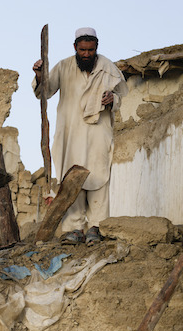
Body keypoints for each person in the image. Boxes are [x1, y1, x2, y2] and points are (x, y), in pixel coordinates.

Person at [32, 27, 128, 244]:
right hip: (70, 133)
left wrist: (112, 99)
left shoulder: (108, 68)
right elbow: (45, 92)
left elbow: (122, 95)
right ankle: (74, 229)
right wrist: (39, 76)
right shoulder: (64, 66)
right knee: (70, 177)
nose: (86, 54)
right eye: (82, 50)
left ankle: (97, 226)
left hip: (97, 133)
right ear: (75, 47)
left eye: (90, 50)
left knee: (98, 176)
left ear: (96, 48)